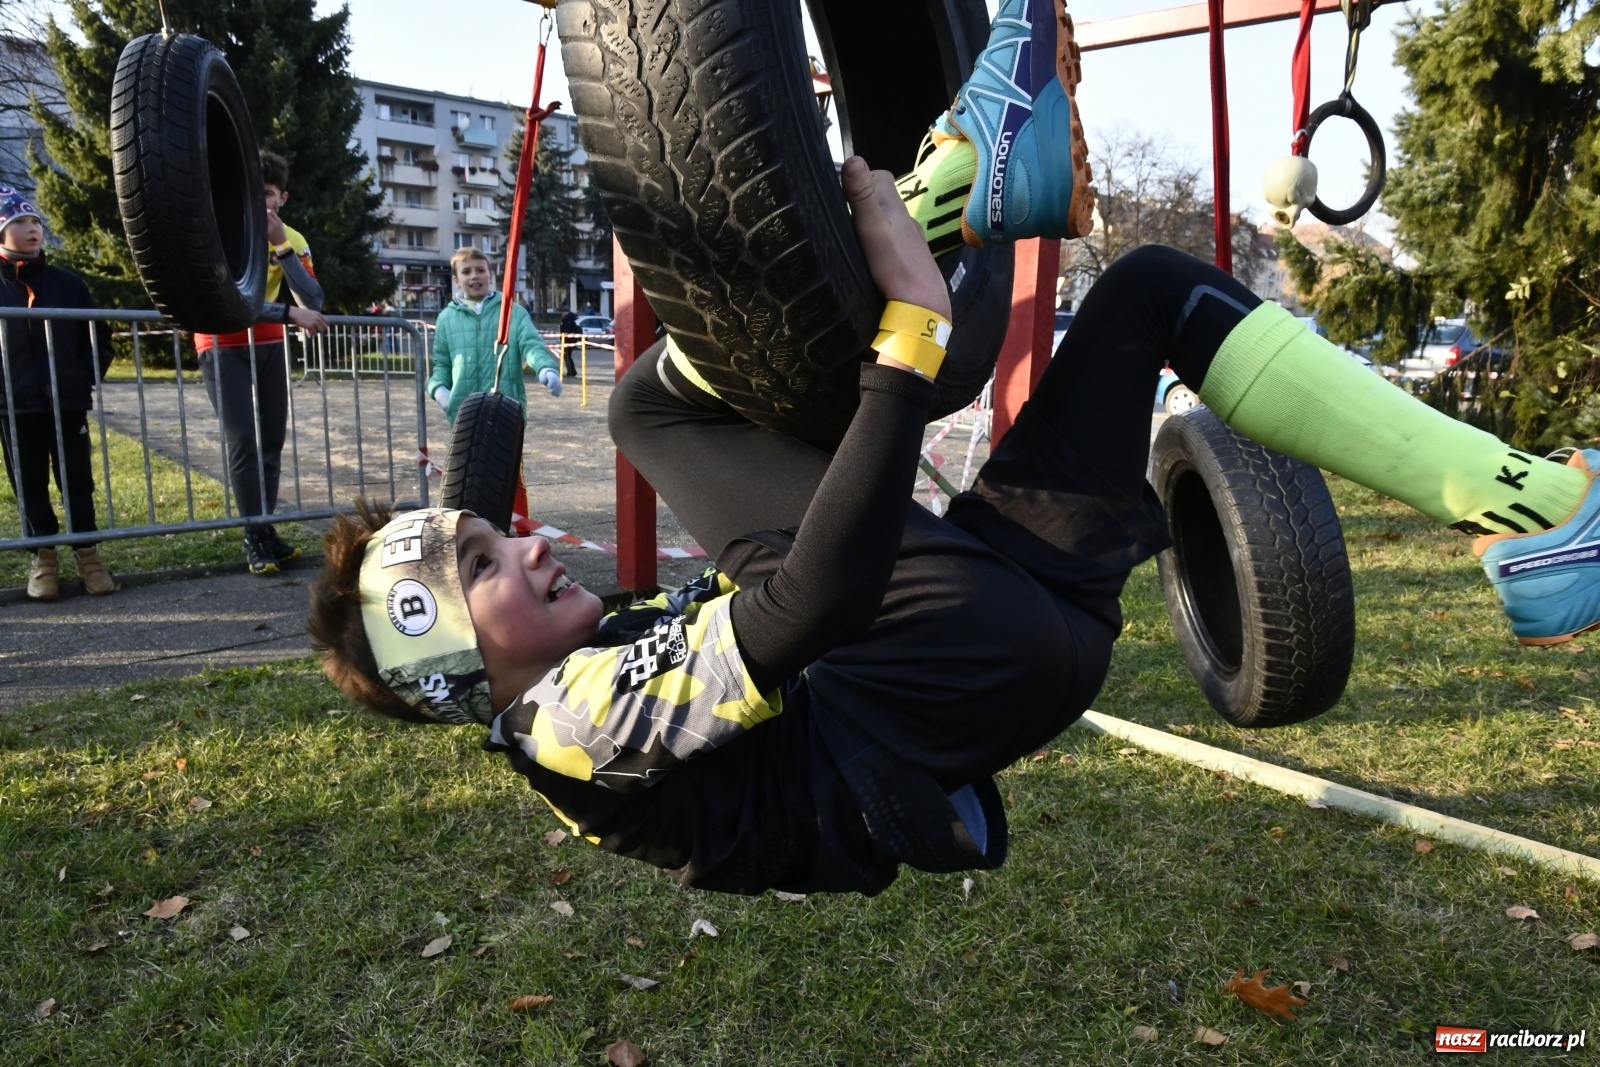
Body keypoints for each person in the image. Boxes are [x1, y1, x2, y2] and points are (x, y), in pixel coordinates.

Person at [306, 0, 1599, 896]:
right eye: (487, 561)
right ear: (460, 663)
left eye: (497, 532)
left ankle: (1539, 510)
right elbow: (821, 595)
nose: (529, 541)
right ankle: (943, 198)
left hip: (1011, 630)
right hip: (911, 674)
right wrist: (911, 341)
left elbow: (481, 555)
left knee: (1147, 291)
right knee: (667, 425)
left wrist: (460, 499)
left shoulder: (528, 688)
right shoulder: (575, 723)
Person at [193, 151, 329, 576]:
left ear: (281, 198)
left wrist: (282, 248)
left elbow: (314, 299)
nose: (259, 202)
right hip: (220, 341)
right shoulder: (221, 231)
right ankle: (253, 534)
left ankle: (265, 527)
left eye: (266, 194)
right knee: (242, 444)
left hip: (268, 343)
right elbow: (228, 303)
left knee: (271, 442)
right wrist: (289, 314)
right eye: (250, 192)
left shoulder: (293, 238)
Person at [0, 186, 117, 600]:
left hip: (66, 404)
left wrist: (82, 377)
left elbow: (99, 337)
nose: (32, 230)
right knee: (29, 483)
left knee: (77, 482)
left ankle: (89, 557)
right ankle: (43, 560)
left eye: (35, 222)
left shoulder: (68, 284)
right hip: (15, 409)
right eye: (19, 223)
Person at [559, 306, 580, 379]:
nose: (561, 314)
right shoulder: (569, 319)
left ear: (566, 312)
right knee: (567, 356)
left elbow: (566, 330)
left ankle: (571, 372)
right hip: (569, 341)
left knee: (567, 356)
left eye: (562, 312)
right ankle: (571, 371)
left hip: (568, 341)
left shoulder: (568, 320)